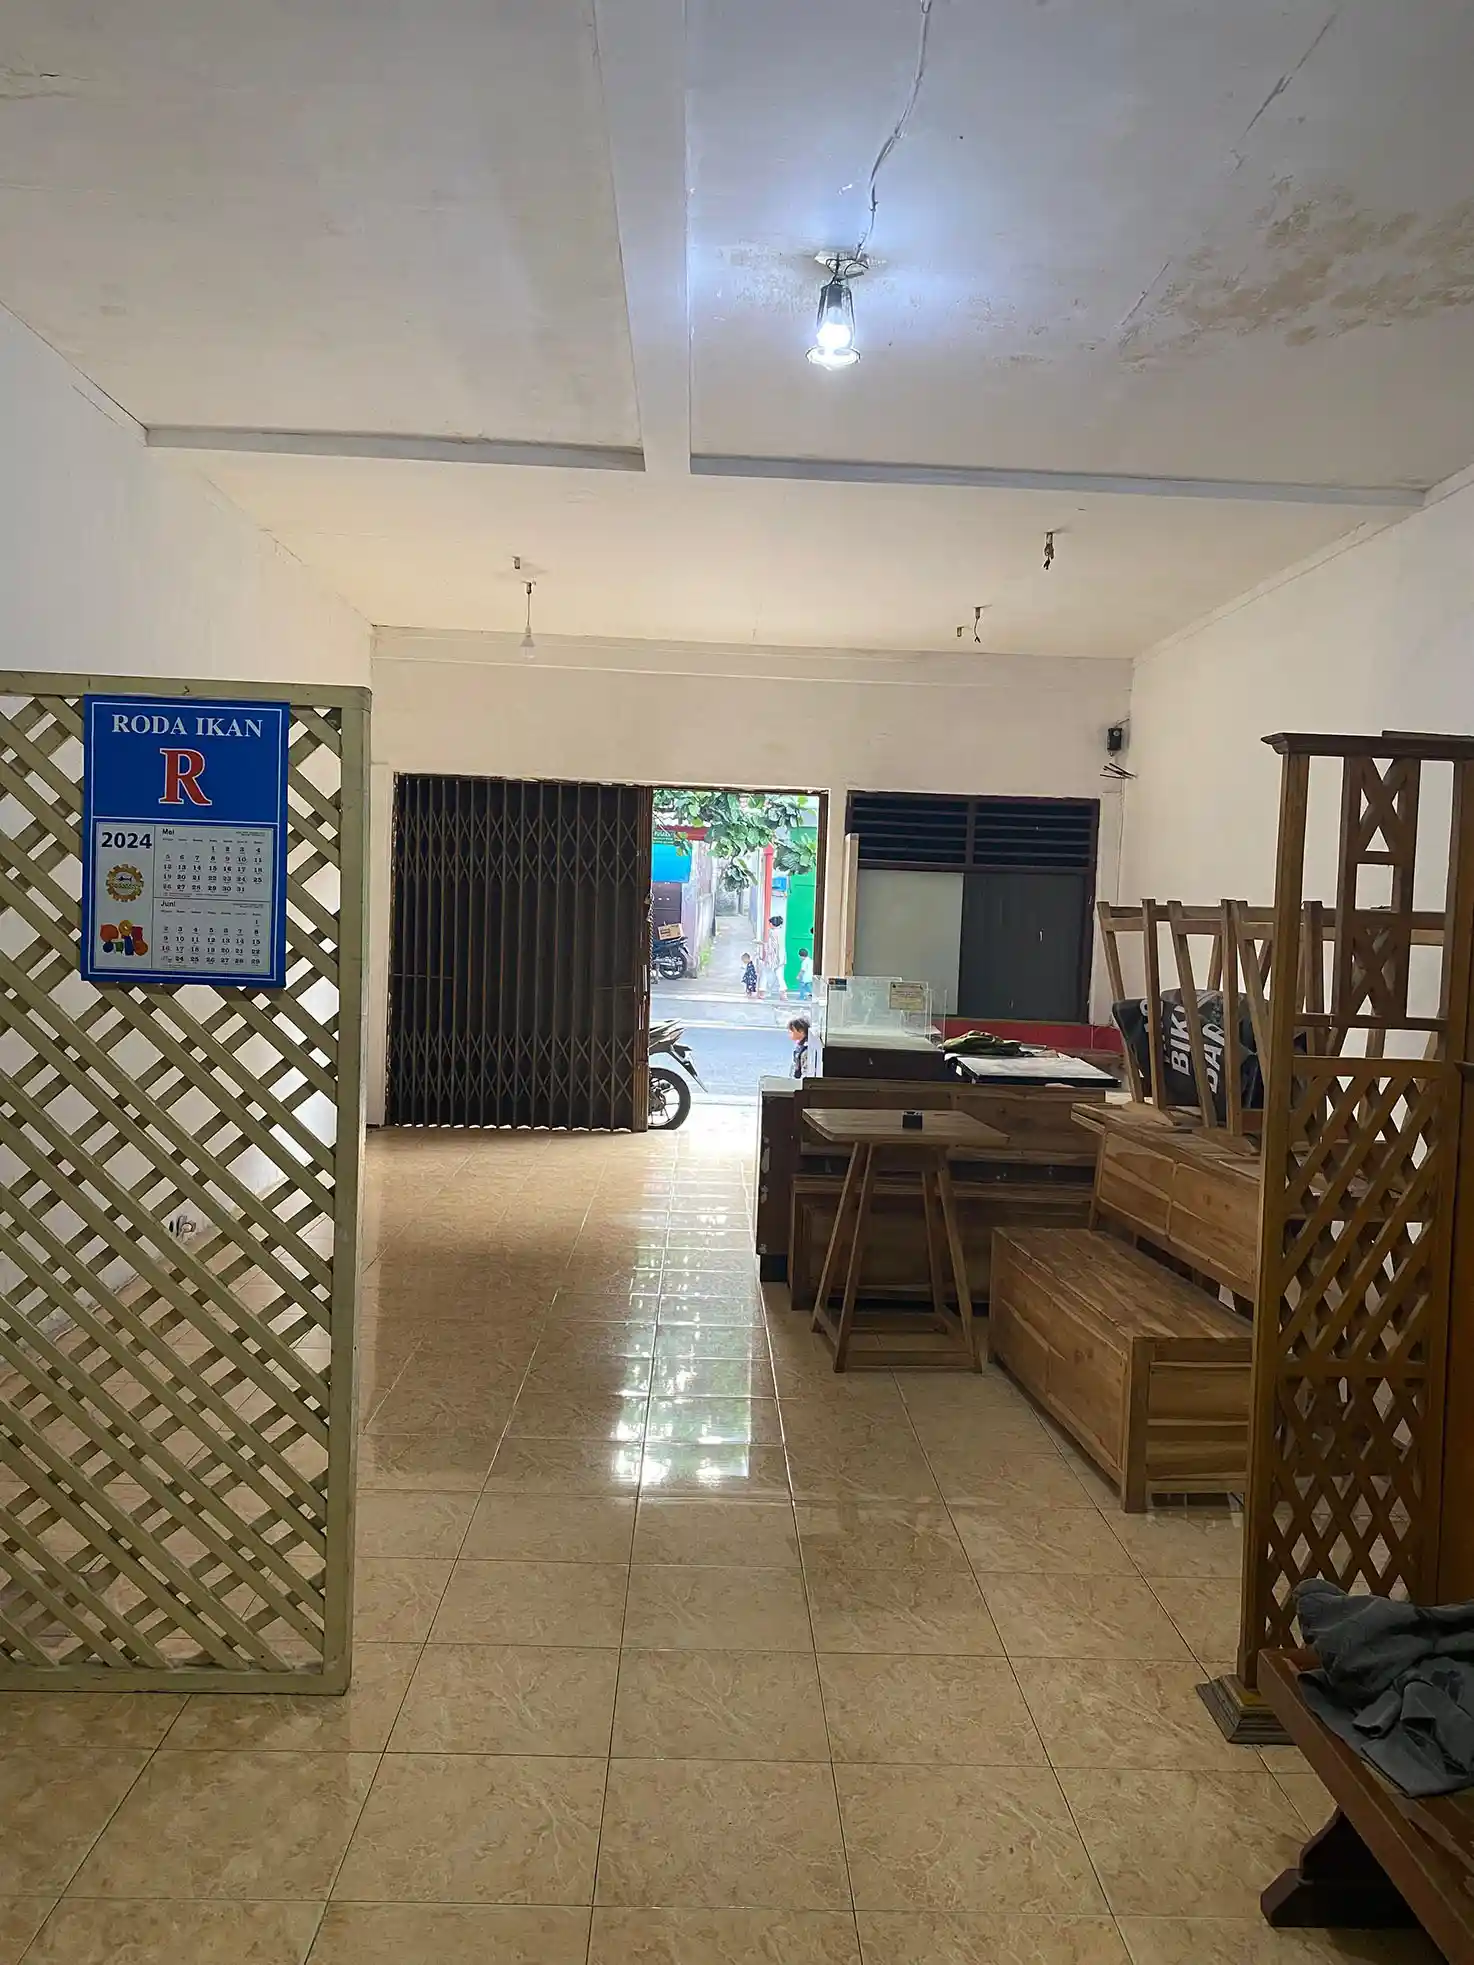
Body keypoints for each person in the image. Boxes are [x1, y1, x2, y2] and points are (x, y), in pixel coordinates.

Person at [760, 914, 786, 998]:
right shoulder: (780, 932)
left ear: (772, 924)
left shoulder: (773, 933)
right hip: (780, 957)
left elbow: (772, 946)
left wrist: (763, 946)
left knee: (765, 973)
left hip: (773, 957)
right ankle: (783, 993)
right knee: (779, 975)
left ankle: (762, 991)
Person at [788, 1012, 818, 1080]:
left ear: (801, 1031)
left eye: (792, 1031)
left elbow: (805, 1073)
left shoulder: (807, 1050)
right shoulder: (799, 1047)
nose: (789, 1033)